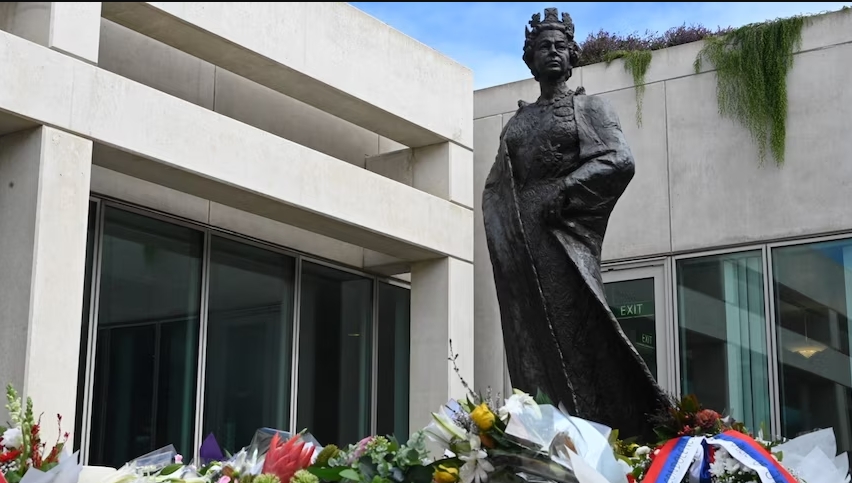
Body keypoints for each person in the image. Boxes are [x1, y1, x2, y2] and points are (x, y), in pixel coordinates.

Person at [481, 7, 670, 441]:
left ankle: (604, 434)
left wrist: (564, 192)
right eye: (542, 47)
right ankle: (545, 434)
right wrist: (506, 238)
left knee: (578, 335)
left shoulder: (590, 108)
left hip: (562, 240)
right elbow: (497, 189)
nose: (551, 52)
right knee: (532, 340)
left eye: (559, 46)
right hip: (523, 246)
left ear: (573, 56)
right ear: (530, 59)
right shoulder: (517, 123)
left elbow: (619, 160)